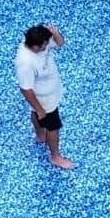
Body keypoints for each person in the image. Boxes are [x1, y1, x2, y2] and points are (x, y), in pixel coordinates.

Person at [16, 23, 73, 170]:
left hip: (50, 92)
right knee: (53, 127)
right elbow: (26, 89)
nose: (47, 46)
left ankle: (40, 135)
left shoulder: (42, 40)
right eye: (44, 45)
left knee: (36, 114)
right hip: (44, 99)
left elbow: (60, 43)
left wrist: (56, 33)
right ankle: (55, 156)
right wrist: (40, 108)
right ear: (35, 46)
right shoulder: (25, 63)